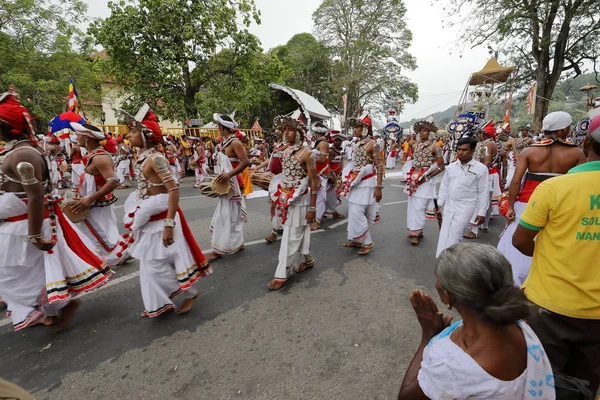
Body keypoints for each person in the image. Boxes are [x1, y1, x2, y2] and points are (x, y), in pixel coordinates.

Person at [0, 89, 112, 332]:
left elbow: (36, 196)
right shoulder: (18, 150)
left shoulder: (23, 153)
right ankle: (45, 310)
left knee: (18, 275)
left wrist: (34, 235)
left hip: (26, 225)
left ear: (5, 125)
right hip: (18, 225)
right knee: (21, 274)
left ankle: (54, 307)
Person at [512, 114, 600, 394]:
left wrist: (548, 254)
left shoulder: (553, 187)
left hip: (551, 305)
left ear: (585, 142)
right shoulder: (568, 158)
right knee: (587, 384)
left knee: (543, 382)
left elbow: (521, 240)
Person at [398, 243, 555, 400]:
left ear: (447, 296)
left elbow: (405, 397)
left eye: (438, 282)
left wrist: (428, 337)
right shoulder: (518, 324)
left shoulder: (451, 364)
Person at [122, 105, 212, 318]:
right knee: (149, 263)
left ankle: (190, 293)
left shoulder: (156, 159)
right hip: (150, 217)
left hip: (162, 218)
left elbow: (173, 189)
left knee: (158, 263)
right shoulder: (143, 157)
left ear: (146, 135)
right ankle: (156, 303)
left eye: (133, 131)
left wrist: (169, 224)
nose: (128, 135)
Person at [498, 111, 585, 285]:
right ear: (563, 129)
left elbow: (516, 182)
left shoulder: (529, 151)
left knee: (518, 240)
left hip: (526, 203)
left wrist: (510, 207)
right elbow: (579, 183)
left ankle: (513, 280)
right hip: (559, 204)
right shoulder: (577, 153)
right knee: (549, 241)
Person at [267, 117, 319, 290]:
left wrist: (312, 209)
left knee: (291, 235)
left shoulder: (307, 154)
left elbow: (314, 182)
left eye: (289, 129)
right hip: (287, 197)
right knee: (294, 232)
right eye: (285, 130)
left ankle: (281, 273)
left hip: (302, 200)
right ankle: (309, 260)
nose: (286, 133)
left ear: (298, 133)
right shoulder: (286, 151)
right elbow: (279, 172)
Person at [69, 122, 124, 267]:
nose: (77, 137)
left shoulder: (99, 157)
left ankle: (111, 257)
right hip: (94, 202)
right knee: (101, 232)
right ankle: (116, 254)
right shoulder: (91, 155)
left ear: (88, 138)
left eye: (79, 135)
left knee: (100, 233)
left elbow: (113, 181)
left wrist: (90, 198)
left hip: (97, 203)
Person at [435, 137, 489, 257]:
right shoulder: (451, 167)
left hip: (466, 207)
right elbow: (444, 186)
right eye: (459, 149)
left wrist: (481, 212)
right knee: (444, 233)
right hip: (449, 206)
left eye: (464, 150)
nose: (460, 152)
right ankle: (442, 258)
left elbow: (483, 191)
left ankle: (452, 261)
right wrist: (439, 204)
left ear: (473, 150)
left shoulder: (481, 169)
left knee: (455, 235)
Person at [340, 114, 383, 255]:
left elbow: (380, 167)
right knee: (353, 211)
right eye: (354, 127)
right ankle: (355, 239)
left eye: (357, 127)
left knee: (357, 212)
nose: (354, 130)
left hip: (367, 183)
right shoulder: (357, 143)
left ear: (365, 129)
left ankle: (368, 241)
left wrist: (379, 187)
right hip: (356, 182)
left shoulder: (373, 144)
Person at [208, 113, 249, 261]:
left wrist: (229, 175)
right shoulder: (224, 142)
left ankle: (218, 250)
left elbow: (245, 162)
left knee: (224, 216)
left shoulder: (235, 143)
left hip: (232, 184)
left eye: (218, 125)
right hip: (226, 184)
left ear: (224, 127)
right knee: (232, 215)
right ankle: (238, 243)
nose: (217, 128)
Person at [404, 121, 445, 245]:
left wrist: (426, 178)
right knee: (412, 207)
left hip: (426, 181)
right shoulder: (414, 145)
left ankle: (416, 232)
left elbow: (441, 166)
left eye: (425, 130)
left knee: (419, 207)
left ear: (430, 132)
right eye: (420, 130)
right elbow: (413, 162)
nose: (422, 133)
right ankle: (415, 230)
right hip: (413, 179)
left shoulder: (435, 147)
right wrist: (409, 174)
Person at [464, 123, 502, 238]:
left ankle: (474, 231)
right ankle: (484, 226)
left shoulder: (487, 145)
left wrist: (477, 175)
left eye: (480, 133)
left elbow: (486, 162)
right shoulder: (492, 143)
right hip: (491, 175)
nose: (478, 135)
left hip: (487, 176)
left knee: (479, 202)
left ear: (485, 134)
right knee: (488, 202)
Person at [311, 121, 331, 231]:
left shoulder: (323, 143)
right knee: (316, 196)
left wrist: (310, 161)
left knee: (320, 197)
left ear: (317, 133)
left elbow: (323, 159)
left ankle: (317, 221)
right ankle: (316, 217)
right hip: (317, 172)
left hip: (322, 173)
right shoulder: (319, 142)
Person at [325, 132, 345, 220]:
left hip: (338, 176)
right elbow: (327, 165)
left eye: (339, 140)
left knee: (336, 195)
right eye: (336, 140)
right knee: (331, 196)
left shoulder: (339, 150)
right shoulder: (331, 151)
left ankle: (328, 211)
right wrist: (330, 177)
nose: (338, 142)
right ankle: (333, 211)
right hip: (331, 177)